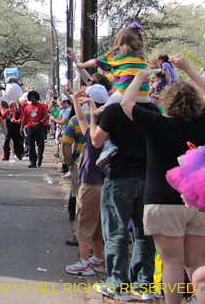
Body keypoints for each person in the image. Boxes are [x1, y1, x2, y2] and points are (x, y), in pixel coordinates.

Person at [120, 58, 205, 304]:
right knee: (197, 263)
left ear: (168, 103)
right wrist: (187, 68)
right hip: (198, 203)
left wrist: (138, 78)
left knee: (172, 262)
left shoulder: (158, 124)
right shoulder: (202, 124)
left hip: (162, 203)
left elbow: (126, 104)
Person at [91, 68, 158, 301]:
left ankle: (117, 284)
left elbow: (96, 141)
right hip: (148, 179)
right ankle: (144, 285)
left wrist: (92, 118)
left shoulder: (113, 111)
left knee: (116, 232)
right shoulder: (152, 109)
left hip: (120, 178)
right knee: (144, 233)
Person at [65, 84, 109, 277]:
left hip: (91, 183)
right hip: (107, 184)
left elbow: (82, 118)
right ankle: (98, 260)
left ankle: (84, 262)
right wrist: (81, 101)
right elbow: (85, 117)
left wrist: (78, 100)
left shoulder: (92, 136)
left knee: (84, 222)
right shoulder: (112, 130)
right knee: (98, 224)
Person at [74, 27, 149, 105]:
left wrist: (82, 65)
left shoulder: (117, 55)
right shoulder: (142, 56)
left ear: (118, 41)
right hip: (144, 95)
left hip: (124, 94)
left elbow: (95, 62)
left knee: (104, 109)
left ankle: (96, 115)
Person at [21, 90, 47, 168]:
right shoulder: (27, 107)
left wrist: (40, 122)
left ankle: (40, 156)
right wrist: (21, 128)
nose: (32, 99)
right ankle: (33, 161)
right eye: (31, 98)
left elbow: (46, 115)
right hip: (30, 127)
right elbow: (24, 118)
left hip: (39, 127)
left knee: (40, 144)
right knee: (31, 145)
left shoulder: (42, 106)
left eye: (34, 97)